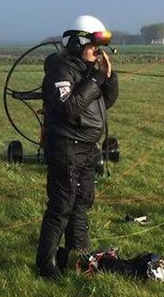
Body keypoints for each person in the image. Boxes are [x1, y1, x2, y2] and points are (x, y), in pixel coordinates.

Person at [35, 15, 119, 279]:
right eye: (94, 46)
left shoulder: (85, 69)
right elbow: (68, 108)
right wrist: (94, 80)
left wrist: (108, 77)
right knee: (61, 205)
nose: (97, 52)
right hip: (66, 146)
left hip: (86, 146)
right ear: (77, 42)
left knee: (82, 202)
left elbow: (106, 102)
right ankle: (45, 264)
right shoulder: (60, 71)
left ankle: (77, 253)